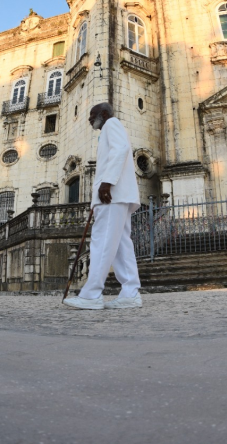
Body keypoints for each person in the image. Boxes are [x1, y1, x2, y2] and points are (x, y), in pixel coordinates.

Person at [64, 103, 142, 310]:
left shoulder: (111, 124)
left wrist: (107, 182)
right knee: (121, 246)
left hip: (112, 195)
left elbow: (121, 150)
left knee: (102, 242)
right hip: (118, 196)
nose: (90, 120)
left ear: (104, 114)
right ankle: (130, 293)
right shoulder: (110, 129)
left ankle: (91, 295)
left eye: (92, 115)